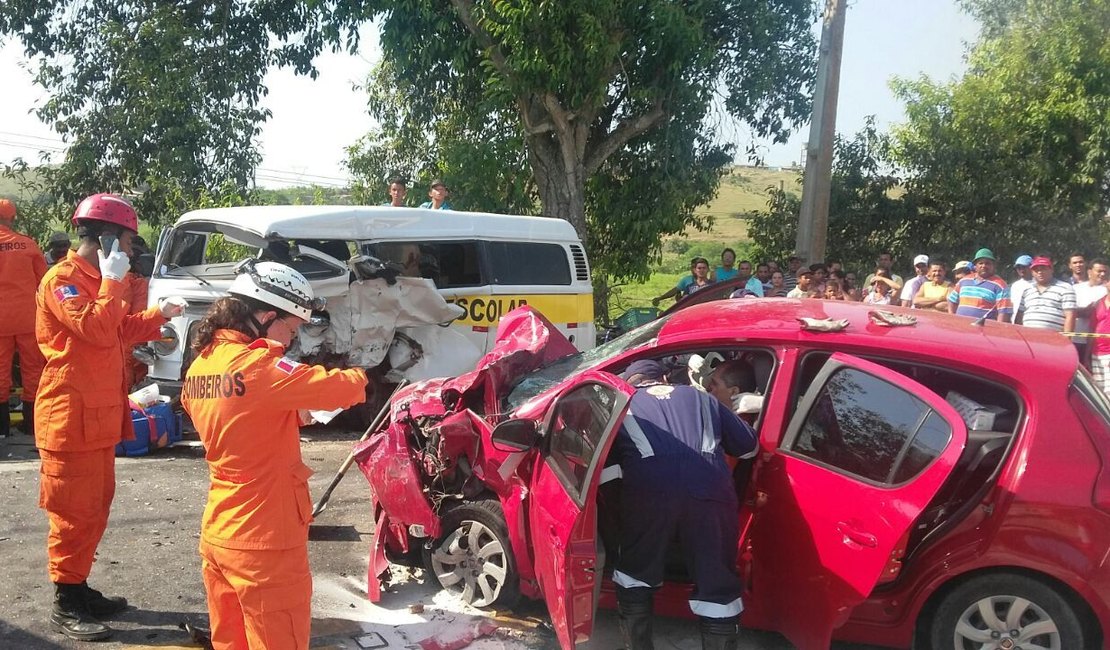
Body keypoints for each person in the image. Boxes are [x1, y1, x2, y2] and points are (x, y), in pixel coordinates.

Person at [182, 260, 369, 650]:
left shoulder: (202, 365)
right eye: (291, 327)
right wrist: (362, 374)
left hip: (221, 531)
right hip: (265, 543)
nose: (291, 339)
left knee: (231, 642)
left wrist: (291, 413)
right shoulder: (257, 365)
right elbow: (340, 388)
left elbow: (238, 418)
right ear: (266, 316)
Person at [36, 194, 186, 641]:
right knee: (71, 513)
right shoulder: (62, 281)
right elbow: (97, 328)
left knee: (95, 509)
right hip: (69, 418)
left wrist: (160, 314)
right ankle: (65, 600)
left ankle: (78, 587)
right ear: (107, 238)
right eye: (127, 239)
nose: (132, 249)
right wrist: (114, 283)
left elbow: (119, 329)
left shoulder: (101, 279)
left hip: (99, 417)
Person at [608, 359, 757, 650]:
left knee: (635, 573)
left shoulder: (619, 405)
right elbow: (748, 447)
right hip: (711, 491)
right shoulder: (702, 397)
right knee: (717, 583)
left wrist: (618, 521)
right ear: (665, 378)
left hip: (649, 492)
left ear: (629, 381)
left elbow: (607, 473)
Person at [0, 198, 47, 437]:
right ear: (11, 218)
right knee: (33, 370)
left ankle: (2, 430)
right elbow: (45, 282)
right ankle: (32, 426)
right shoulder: (27, 245)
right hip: (28, 318)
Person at [948, 248, 1012, 322]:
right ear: (975, 266)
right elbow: (952, 301)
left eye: (987, 263)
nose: (984, 266)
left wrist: (997, 330)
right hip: (960, 327)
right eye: (980, 263)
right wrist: (952, 317)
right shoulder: (964, 281)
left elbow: (1004, 312)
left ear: (993, 266)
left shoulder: (1000, 285)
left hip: (984, 330)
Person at [1017, 257, 1076, 333]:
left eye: (1043, 269)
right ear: (1032, 272)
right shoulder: (1027, 290)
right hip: (1029, 337)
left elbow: (1070, 315)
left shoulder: (1065, 288)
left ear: (1051, 270)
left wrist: (1067, 339)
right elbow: (1020, 315)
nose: (1040, 272)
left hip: (1053, 339)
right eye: (1036, 270)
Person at [1073, 259, 1109, 367]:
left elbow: (1091, 312)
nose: (1102, 274)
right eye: (1099, 271)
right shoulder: (1075, 288)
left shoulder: (1106, 291)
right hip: (1074, 338)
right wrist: (1081, 311)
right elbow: (1067, 311)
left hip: (1095, 344)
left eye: (1105, 271)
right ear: (1089, 271)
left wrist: (1081, 311)